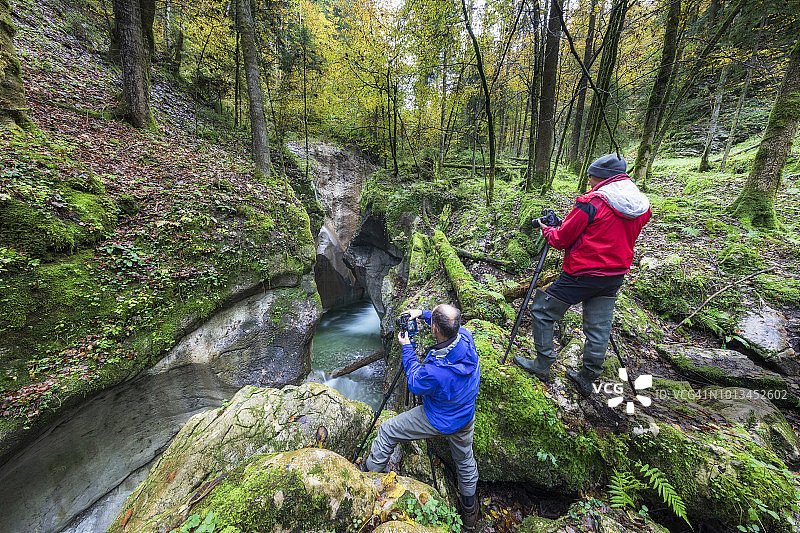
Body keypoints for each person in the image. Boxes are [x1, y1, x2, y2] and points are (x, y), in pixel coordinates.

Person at [514, 154, 651, 396]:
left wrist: (548, 230)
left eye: (590, 175)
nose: (588, 180)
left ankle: (542, 363)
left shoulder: (591, 203)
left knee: (542, 310)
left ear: (602, 177)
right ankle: (588, 377)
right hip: (615, 274)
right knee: (598, 327)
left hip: (582, 273)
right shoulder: (641, 206)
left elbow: (562, 238)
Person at [364, 304, 481, 528]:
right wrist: (423, 314)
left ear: (435, 329)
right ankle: (469, 513)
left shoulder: (436, 372)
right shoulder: (465, 337)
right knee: (465, 461)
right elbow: (447, 324)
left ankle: (368, 476)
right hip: (465, 414)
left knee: (388, 430)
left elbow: (416, 383)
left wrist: (406, 347)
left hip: (439, 417)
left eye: (432, 322)